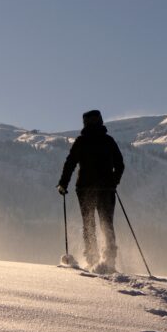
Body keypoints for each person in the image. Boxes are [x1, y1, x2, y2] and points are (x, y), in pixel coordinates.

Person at [56, 110, 124, 272]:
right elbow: (120, 164)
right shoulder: (108, 141)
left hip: (85, 189)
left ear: (85, 123)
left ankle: (92, 259)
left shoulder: (81, 141)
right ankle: (109, 261)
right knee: (106, 223)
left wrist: (63, 184)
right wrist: (114, 181)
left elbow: (70, 163)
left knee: (88, 224)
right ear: (100, 121)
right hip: (106, 189)